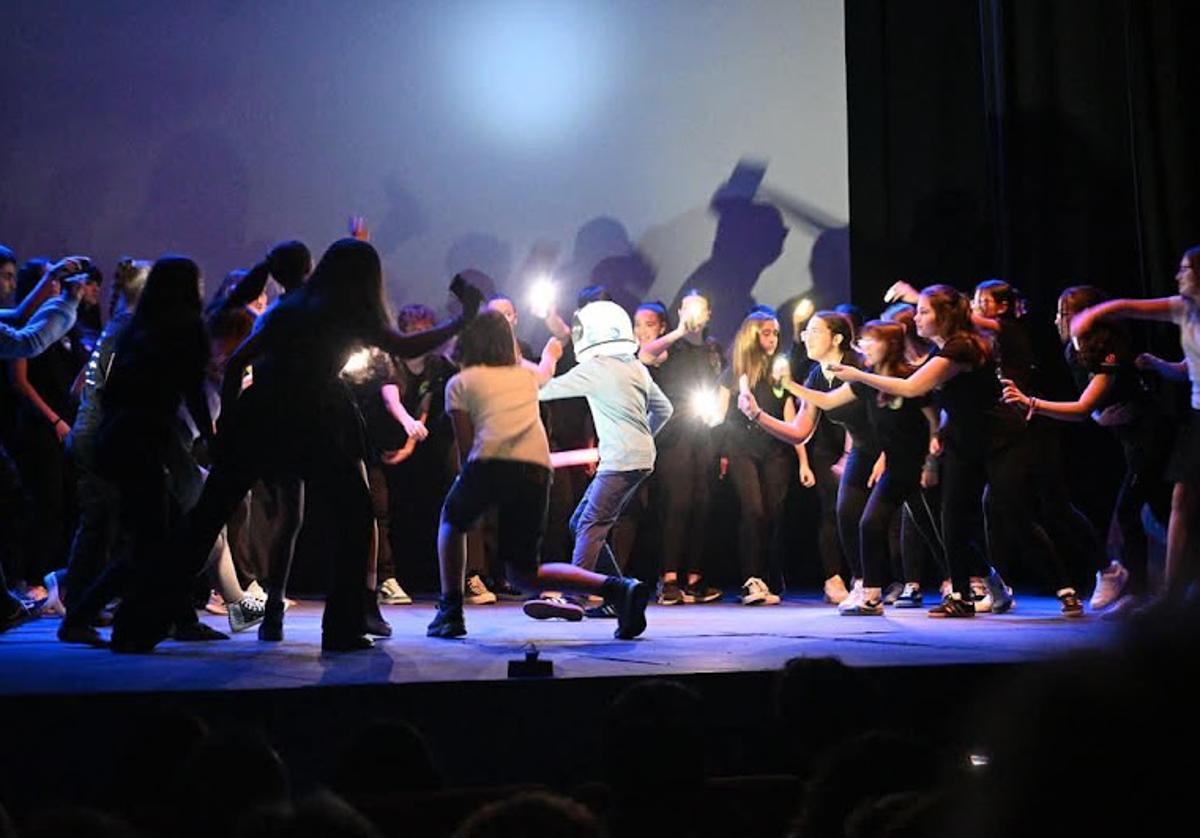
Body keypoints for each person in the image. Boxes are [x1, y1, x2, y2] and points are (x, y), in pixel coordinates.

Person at [120, 239, 484, 652]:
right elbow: (404, 345)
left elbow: (237, 364)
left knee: (204, 523)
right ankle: (342, 628)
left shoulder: (290, 306)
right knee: (355, 515)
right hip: (309, 417)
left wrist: (229, 428)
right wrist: (462, 320)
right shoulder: (346, 310)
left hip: (259, 416)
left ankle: (138, 625)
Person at [830, 285, 1082, 617]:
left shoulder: (962, 348)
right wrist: (938, 436)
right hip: (964, 442)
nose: (916, 318)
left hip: (1000, 440)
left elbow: (912, 387)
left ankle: (1065, 589)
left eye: (924, 312)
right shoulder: (941, 350)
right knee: (951, 520)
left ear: (944, 317)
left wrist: (860, 376)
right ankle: (961, 596)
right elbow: (944, 401)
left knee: (1014, 513)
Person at [426, 310, 652, 640]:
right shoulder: (526, 373)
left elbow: (466, 447)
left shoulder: (460, 383)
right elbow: (546, 371)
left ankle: (450, 612)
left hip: (490, 462)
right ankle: (620, 589)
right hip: (536, 470)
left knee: (451, 520)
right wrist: (552, 352)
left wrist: (467, 485)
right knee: (524, 573)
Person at [743, 320, 938, 614]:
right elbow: (800, 430)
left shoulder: (859, 366)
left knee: (924, 518)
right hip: (862, 448)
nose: (806, 337)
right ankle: (865, 585)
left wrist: (887, 457)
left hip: (894, 450)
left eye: (814, 331)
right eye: (805, 332)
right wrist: (757, 414)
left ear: (836, 339)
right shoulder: (817, 375)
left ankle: (967, 579)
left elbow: (898, 415)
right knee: (847, 514)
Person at [527, 299, 672, 622]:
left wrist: (547, 358)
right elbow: (665, 409)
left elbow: (543, 390)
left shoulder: (596, 368)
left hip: (620, 460)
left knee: (590, 524)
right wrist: (643, 439)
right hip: (638, 458)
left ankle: (573, 596)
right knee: (581, 523)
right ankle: (621, 595)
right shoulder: (635, 366)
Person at [1070, 245, 1200, 602]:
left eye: (1186, 269)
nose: (1178, 275)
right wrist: (1159, 365)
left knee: (1158, 504)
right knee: (1178, 500)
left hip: (1158, 431)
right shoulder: (1182, 309)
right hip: (1194, 416)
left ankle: (1157, 590)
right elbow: (1129, 307)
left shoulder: (1182, 312)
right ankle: (1170, 595)